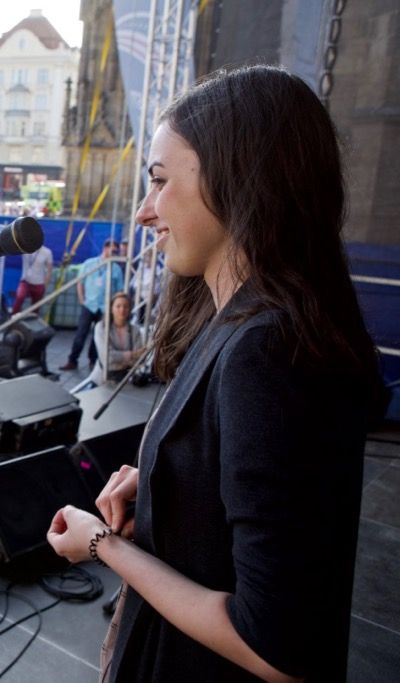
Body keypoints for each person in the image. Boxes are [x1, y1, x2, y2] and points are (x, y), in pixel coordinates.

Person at [45, 66, 384, 682]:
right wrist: (163, 481)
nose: (146, 212)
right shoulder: (248, 322)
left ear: (235, 179)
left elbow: (276, 649)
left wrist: (104, 547)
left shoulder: (268, 351)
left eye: (159, 182)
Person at [59, 239, 124, 371]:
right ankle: (72, 360)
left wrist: (113, 308)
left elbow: (119, 291)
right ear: (105, 248)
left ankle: (92, 361)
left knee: (98, 335)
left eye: (116, 251)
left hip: (105, 307)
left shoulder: (116, 269)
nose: (114, 253)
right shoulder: (89, 263)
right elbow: (80, 282)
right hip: (89, 305)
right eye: (112, 250)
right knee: (80, 334)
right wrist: (82, 299)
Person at [86, 293, 145, 387]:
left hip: (126, 381)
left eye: (126, 306)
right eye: (118, 306)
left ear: (130, 309)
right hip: (102, 380)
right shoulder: (101, 327)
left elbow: (140, 359)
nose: (122, 310)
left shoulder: (135, 330)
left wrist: (117, 358)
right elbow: (107, 358)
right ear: (111, 309)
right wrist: (132, 354)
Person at [12, 243, 54, 314]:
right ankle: (12, 319)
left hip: (38, 283)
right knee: (19, 297)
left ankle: (33, 320)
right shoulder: (25, 247)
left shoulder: (47, 252)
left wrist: (45, 286)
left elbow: (49, 271)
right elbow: (14, 247)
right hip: (25, 281)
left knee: (36, 306)